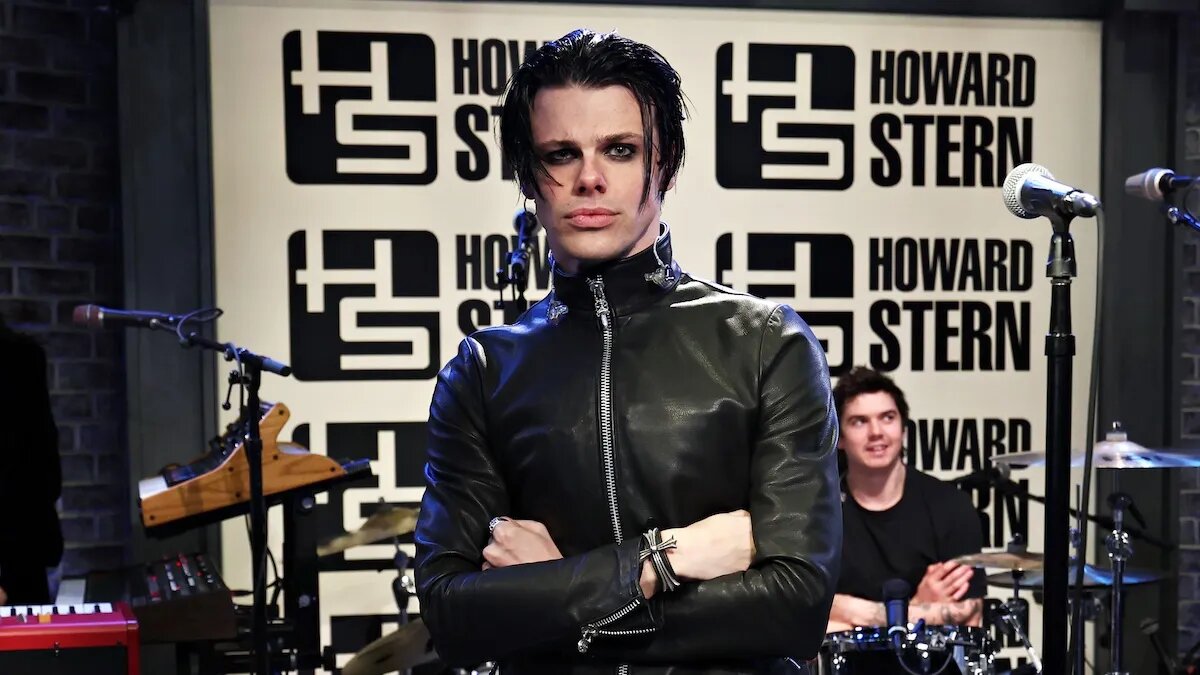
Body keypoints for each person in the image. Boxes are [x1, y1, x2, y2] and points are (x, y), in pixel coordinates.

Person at [414, 28, 841, 675]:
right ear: (528, 175)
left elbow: (795, 605)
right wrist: (660, 560)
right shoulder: (484, 371)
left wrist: (554, 592)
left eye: (619, 149)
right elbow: (451, 613)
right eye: (561, 153)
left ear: (664, 164)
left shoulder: (765, 341)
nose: (590, 179)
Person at [825, 366, 985, 636]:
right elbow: (801, 607)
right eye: (859, 421)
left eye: (887, 417)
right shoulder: (818, 512)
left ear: (903, 428)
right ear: (839, 437)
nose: (876, 432)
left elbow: (969, 614)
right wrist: (918, 607)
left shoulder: (950, 506)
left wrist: (850, 611)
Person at [0, 315, 64, 605]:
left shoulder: (19, 357)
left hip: (19, 551)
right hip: (25, 551)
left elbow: (37, 468)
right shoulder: (24, 354)